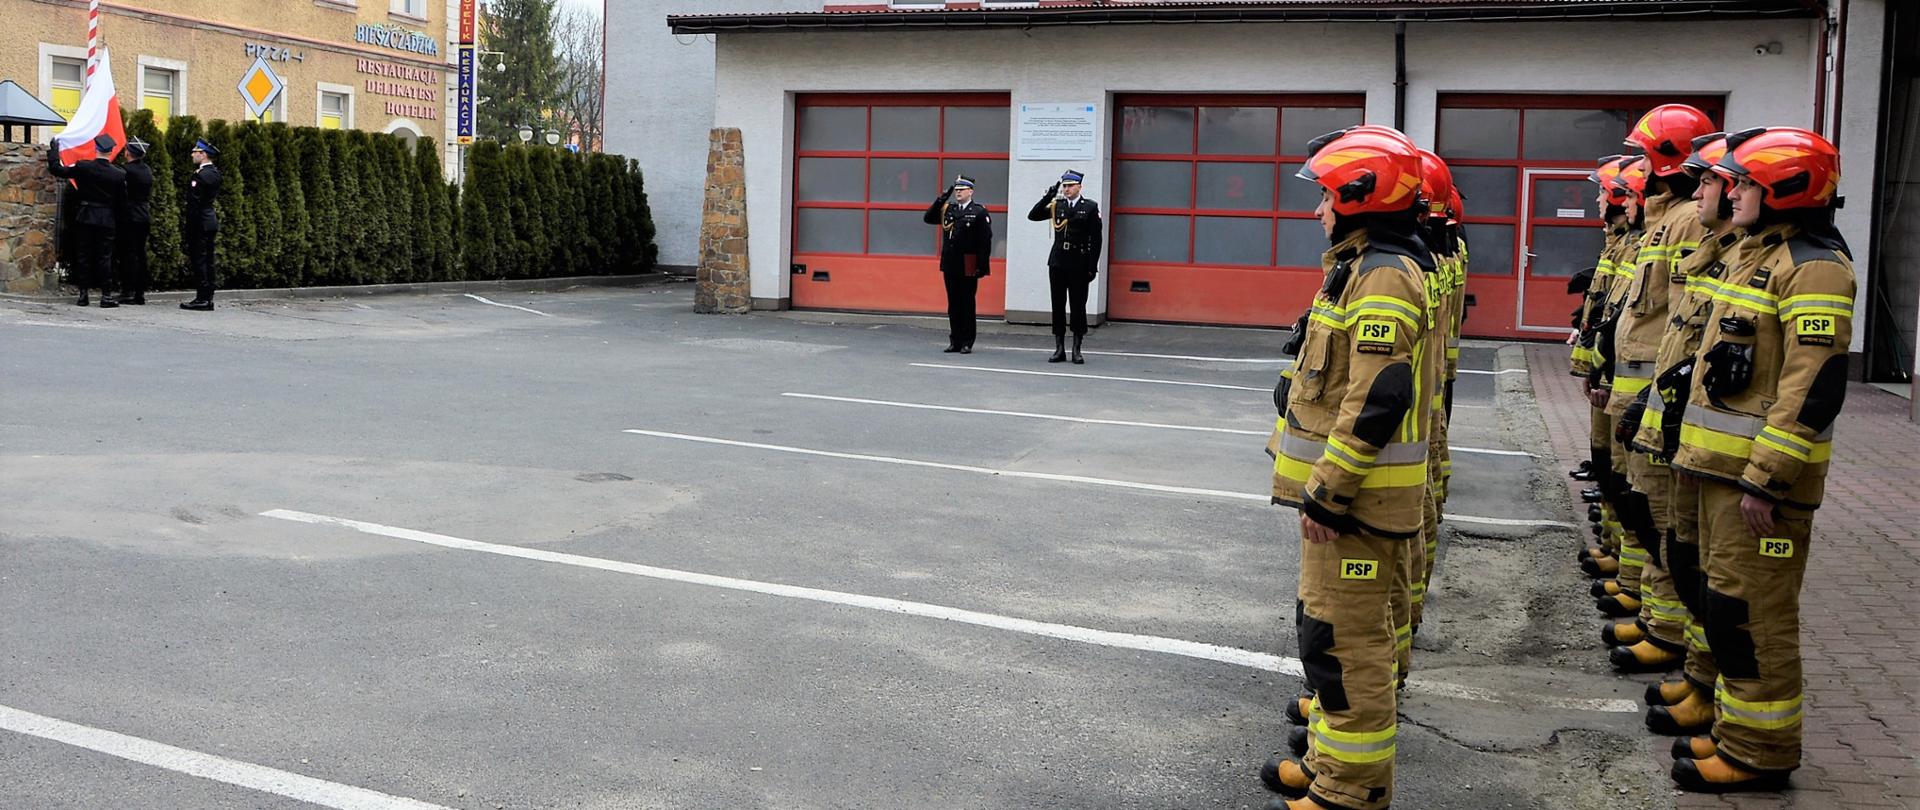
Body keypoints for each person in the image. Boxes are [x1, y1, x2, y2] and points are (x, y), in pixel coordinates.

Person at [1668, 127, 1852, 794]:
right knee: (1725, 607)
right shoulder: (1761, 253)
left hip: (1758, 486)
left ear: (1784, 189)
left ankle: (1759, 753)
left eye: (1744, 181)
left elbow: (1813, 385)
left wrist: (1767, 478)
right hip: (1724, 473)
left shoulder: (1815, 265)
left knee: (1756, 619)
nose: (1731, 190)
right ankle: (1732, 727)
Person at [1260, 125, 1429, 810]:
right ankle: (1332, 762)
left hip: (1357, 506)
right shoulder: (1361, 264)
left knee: (1346, 650)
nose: (1317, 209)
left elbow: (1378, 394)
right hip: (1351, 503)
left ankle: (1350, 791)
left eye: (1326, 195)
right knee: (1325, 637)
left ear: (1362, 197)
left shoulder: (1384, 272)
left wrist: (1328, 494)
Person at [1633, 132, 1740, 738]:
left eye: (1717, 181)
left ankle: (1750, 739)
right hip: (1694, 433)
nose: (1704, 190)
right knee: (1689, 555)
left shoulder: (1799, 265)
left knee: (1734, 596)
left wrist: (1770, 478)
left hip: (1733, 460)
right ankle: (1698, 677)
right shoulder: (1732, 249)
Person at [1604, 104, 1716, 680]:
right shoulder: (1669, 219)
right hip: (1642, 384)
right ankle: (1660, 619)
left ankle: (1668, 629)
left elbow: (1690, 320)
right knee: (1645, 502)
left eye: (1647, 157)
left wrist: (1659, 398)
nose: (1637, 174)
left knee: (1665, 516)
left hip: (1660, 390)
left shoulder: (1688, 222)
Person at [1027, 170, 1102, 364]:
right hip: (1058, 261)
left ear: (1079, 187)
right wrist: (1049, 196)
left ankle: (1077, 349)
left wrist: (1092, 266)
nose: (1066, 189)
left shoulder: (1090, 207)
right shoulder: (1056, 205)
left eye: (1070, 186)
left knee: (1078, 305)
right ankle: (1059, 348)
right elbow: (1033, 215)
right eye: (1064, 186)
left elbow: (1097, 239)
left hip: (1079, 261)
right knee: (1058, 305)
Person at [46, 134, 128, 307]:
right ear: (111, 151)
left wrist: (54, 150)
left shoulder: (84, 167)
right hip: (106, 218)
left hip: (85, 215)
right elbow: (122, 203)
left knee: (84, 256)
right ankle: (106, 296)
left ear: (96, 149)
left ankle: (83, 295)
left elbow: (57, 170)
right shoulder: (119, 174)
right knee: (104, 257)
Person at [922, 174, 993, 353]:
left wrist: (982, 267)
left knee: (967, 302)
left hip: (968, 262)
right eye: (957, 190)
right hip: (951, 262)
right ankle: (955, 340)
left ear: (971, 191)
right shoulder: (949, 209)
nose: (958, 193)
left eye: (962, 190)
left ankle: (968, 341)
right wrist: (942, 198)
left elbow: (985, 242)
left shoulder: (978, 211)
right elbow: (929, 218)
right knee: (953, 303)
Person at [180, 139, 222, 311]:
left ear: (203, 154)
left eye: (195, 152)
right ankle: (208, 297)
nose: (192, 154)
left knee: (200, 261)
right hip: (209, 219)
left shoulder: (200, 175)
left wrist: (188, 225)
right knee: (209, 261)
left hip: (199, 222)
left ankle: (202, 299)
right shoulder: (215, 173)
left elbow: (194, 203)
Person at [115, 137, 154, 305]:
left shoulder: (125, 171)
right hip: (143, 214)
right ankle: (139, 293)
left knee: (128, 255)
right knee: (140, 254)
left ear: (128, 153)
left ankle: (128, 291)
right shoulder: (146, 170)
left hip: (129, 215)